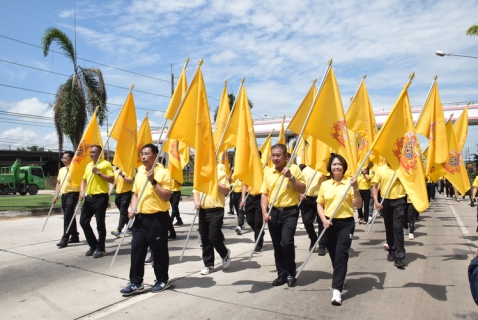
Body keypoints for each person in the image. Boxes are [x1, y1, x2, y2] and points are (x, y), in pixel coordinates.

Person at [120, 144, 172, 295]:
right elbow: (135, 194)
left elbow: (166, 196)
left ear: (155, 155)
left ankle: (162, 279)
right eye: (142, 153)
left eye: (147, 153)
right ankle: (136, 282)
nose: (143, 156)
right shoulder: (140, 172)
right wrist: (133, 208)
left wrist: (153, 181)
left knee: (159, 251)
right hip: (140, 218)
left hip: (157, 218)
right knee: (137, 249)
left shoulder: (163, 173)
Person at [317, 154, 361, 306]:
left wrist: (355, 188)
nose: (337, 167)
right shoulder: (325, 184)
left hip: (346, 224)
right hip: (329, 223)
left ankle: (337, 290)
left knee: (341, 254)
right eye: (334, 164)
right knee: (334, 254)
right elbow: (319, 204)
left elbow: (359, 205)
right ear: (330, 167)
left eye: (340, 164)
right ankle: (341, 276)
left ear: (344, 167)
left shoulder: (350, 183)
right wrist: (323, 220)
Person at [261, 144, 305, 287]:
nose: (275, 158)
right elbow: (264, 194)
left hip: (290, 212)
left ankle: (291, 273)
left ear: (286, 156)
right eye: (273, 155)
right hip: (273, 213)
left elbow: (303, 188)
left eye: (278, 155)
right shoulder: (268, 172)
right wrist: (264, 211)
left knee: (286, 242)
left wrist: (291, 177)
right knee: (277, 245)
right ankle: (281, 274)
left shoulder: (294, 169)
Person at [194, 163, 232, 275]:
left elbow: (226, 191)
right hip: (203, 211)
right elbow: (196, 192)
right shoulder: (200, 175)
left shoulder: (220, 174)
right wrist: (196, 202)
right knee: (205, 239)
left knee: (213, 237)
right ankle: (208, 264)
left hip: (216, 210)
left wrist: (214, 181)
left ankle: (224, 253)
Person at [79, 145, 114, 258]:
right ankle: (93, 245)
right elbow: (83, 180)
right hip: (89, 198)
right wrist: (81, 192)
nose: (92, 154)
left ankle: (101, 248)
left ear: (100, 153)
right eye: (90, 152)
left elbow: (112, 179)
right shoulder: (89, 165)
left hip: (100, 197)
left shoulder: (106, 164)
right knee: (83, 221)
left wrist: (99, 173)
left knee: (100, 224)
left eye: (94, 152)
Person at [372, 163, 407, 268]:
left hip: (399, 201)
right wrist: (376, 201)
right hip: (385, 201)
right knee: (389, 227)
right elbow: (374, 186)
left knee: (398, 227)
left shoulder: (402, 168)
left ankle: (399, 256)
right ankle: (391, 250)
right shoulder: (380, 169)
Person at [52, 151, 80, 248]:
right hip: (64, 195)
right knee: (69, 214)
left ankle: (65, 238)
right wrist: (55, 195)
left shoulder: (76, 169)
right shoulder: (61, 170)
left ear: (71, 159)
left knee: (67, 214)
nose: (63, 160)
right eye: (62, 158)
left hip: (73, 193)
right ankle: (75, 235)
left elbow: (82, 181)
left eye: (65, 158)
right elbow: (58, 183)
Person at [298, 164, 326, 255]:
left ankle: (322, 244)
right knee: (306, 221)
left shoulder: (324, 169)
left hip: (321, 199)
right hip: (307, 199)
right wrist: (300, 194)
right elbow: (300, 183)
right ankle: (313, 239)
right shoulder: (305, 170)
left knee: (322, 222)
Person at [110, 168, 133, 238]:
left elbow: (130, 181)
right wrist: (110, 190)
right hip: (118, 194)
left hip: (126, 193)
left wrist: (122, 175)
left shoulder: (129, 169)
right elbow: (113, 182)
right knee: (124, 212)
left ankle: (119, 229)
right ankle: (131, 227)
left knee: (123, 212)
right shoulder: (116, 171)